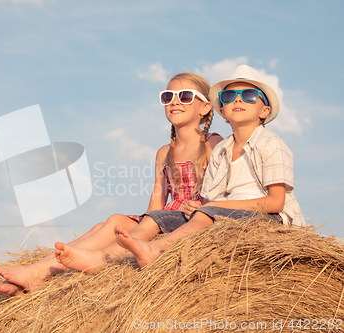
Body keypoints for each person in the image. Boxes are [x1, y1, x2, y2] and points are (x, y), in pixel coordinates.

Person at [0, 73, 222, 294]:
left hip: (191, 219)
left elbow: (224, 192)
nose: (174, 102)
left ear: (205, 107)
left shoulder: (213, 143)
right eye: (167, 96)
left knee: (114, 222)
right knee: (103, 226)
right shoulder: (164, 153)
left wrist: (203, 205)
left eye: (185, 96)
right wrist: (143, 224)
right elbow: (155, 204)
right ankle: (35, 272)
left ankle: (38, 272)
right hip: (162, 218)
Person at [113, 65, 305, 269]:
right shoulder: (222, 150)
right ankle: (111, 257)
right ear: (222, 111)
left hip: (271, 219)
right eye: (229, 95)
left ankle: (158, 249)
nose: (238, 99)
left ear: (264, 110)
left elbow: (276, 202)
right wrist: (200, 206)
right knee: (158, 217)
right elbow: (212, 199)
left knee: (206, 214)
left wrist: (215, 208)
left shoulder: (271, 144)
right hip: (229, 215)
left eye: (249, 95)